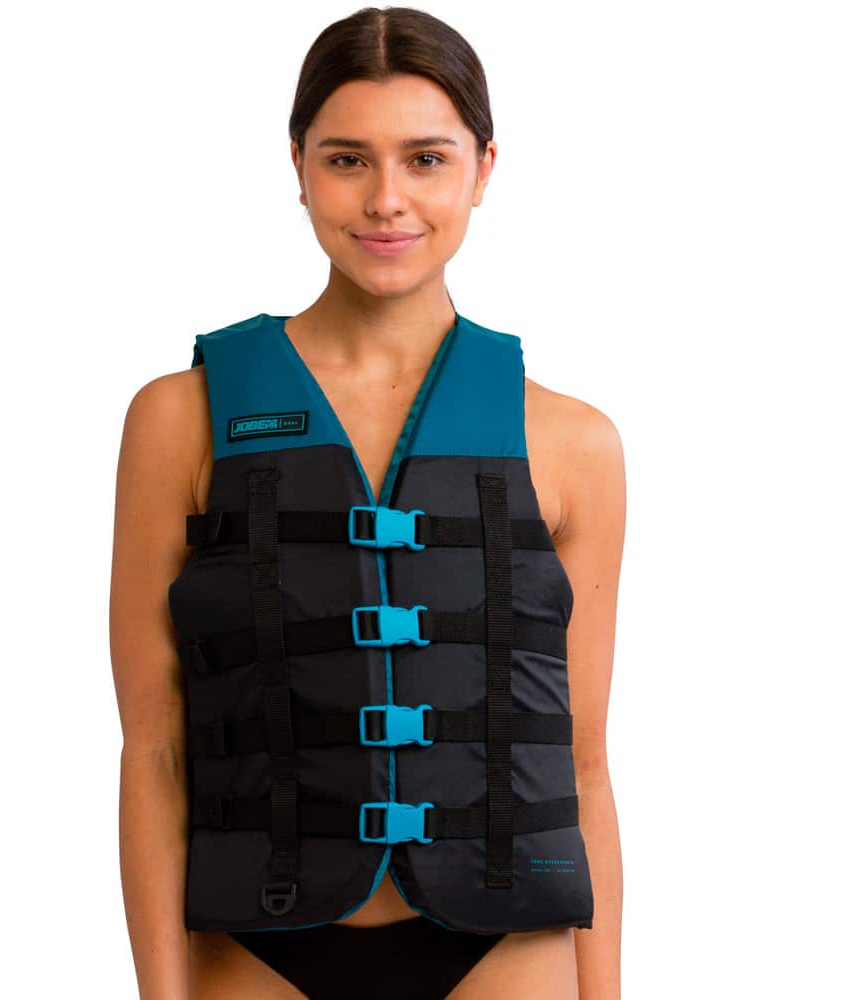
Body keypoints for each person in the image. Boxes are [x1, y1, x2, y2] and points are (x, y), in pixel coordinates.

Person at [110, 7, 624, 999]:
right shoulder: (181, 418)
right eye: (348, 159)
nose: (387, 200)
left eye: (426, 159)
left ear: (482, 169)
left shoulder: (575, 441)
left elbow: (583, 763)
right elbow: (154, 748)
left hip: (504, 946)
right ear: (299, 166)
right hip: (259, 946)